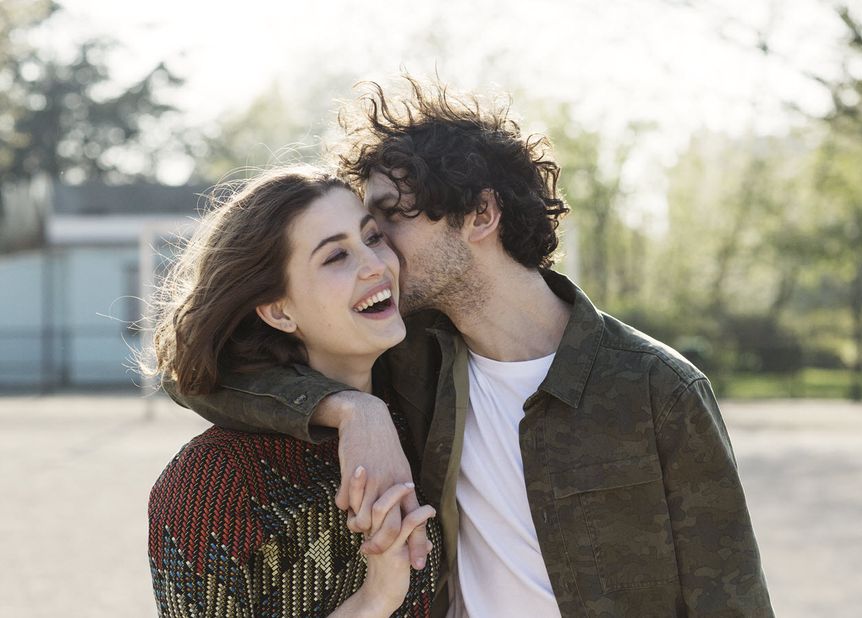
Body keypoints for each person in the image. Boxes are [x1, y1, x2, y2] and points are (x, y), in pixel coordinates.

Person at [167, 79, 774, 617]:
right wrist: (355, 411)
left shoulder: (657, 389)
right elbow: (206, 375)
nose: (378, 257)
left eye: (384, 225)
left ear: (480, 213)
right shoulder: (411, 362)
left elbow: (732, 598)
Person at [146, 168, 442, 617]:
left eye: (374, 238)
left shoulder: (423, 422)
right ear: (279, 311)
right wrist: (376, 599)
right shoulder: (213, 480)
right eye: (336, 257)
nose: (376, 265)